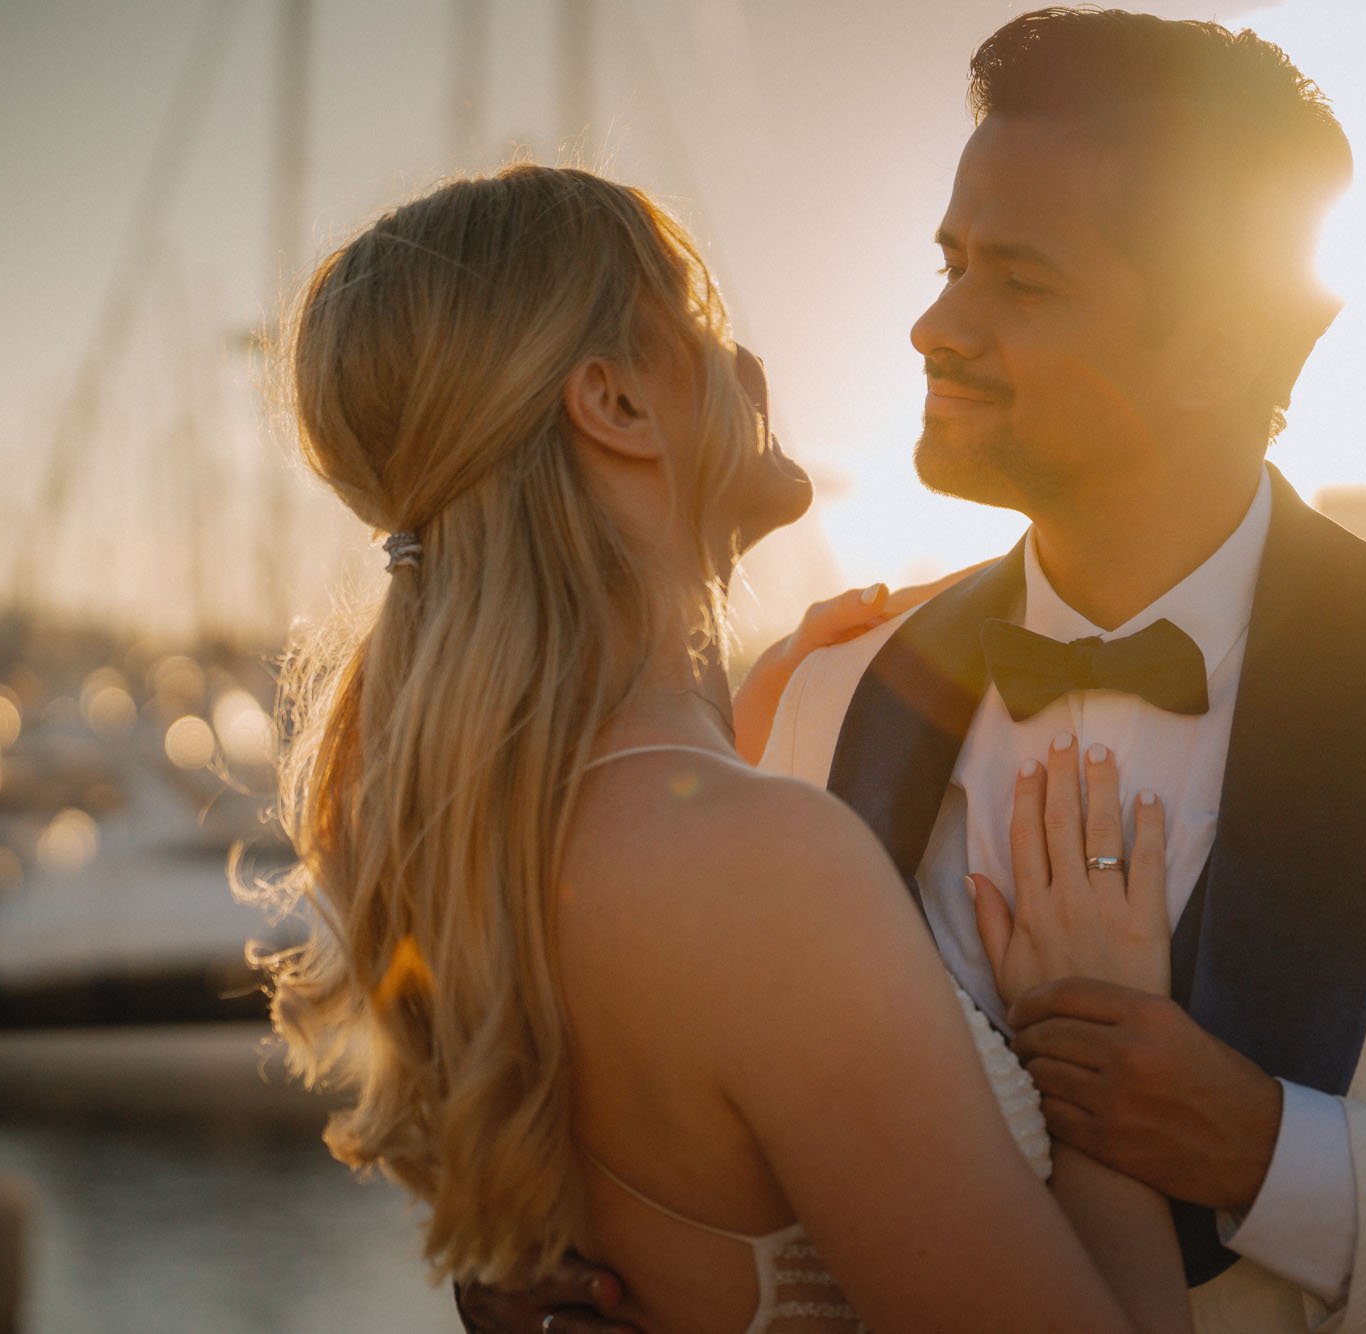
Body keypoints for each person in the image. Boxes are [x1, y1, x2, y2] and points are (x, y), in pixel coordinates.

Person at [476, 9, 1366, 1332]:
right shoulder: (833, 689)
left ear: (1218, 345)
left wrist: (1272, 1156)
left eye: (1016, 280)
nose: (934, 323)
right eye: (948, 260)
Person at [253, 162, 1196, 1331]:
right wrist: (1091, 1031)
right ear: (617, 406)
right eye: (707, 326)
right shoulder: (754, 867)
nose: (750, 368)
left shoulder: (516, 824)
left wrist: (737, 729)